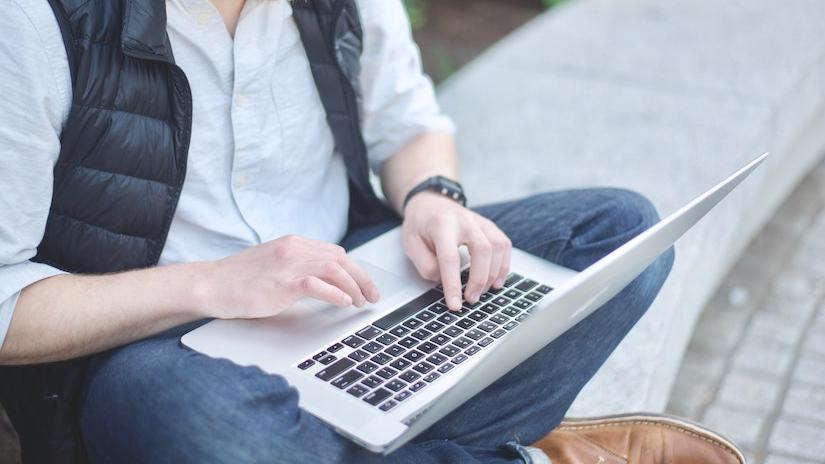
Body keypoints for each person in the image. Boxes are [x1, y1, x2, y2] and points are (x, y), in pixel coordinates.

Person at [0, 1, 743, 463]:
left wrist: (432, 197)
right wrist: (211, 284)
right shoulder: (35, 22)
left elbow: (409, 124)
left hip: (357, 290)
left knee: (616, 234)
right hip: (166, 348)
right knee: (190, 423)